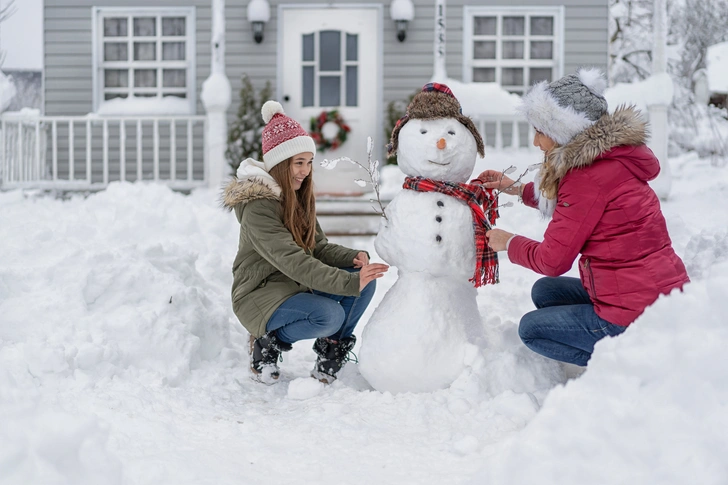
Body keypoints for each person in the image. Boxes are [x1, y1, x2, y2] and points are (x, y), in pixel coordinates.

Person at [477, 68, 689, 367]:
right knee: (546, 292)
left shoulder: (586, 178)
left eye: (541, 131)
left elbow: (552, 261)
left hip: (633, 314)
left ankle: (622, 363)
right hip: (656, 295)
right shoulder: (610, 158)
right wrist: (512, 188)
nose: (536, 142)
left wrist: (508, 242)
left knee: (532, 330)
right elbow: (572, 203)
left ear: (563, 132)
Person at [222, 100, 388, 384]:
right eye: (298, 163)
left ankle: (331, 352)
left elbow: (318, 248)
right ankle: (267, 343)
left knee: (364, 282)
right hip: (259, 295)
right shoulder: (258, 208)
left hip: (293, 288)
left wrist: (352, 258)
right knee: (329, 314)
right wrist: (348, 283)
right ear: (279, 165)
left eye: (309, 162)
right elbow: (293, 261)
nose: (306, 171)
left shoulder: (297, 198)